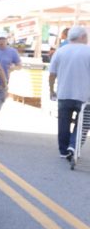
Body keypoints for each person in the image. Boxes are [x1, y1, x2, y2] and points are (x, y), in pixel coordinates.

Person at [48, 26, 90, 159]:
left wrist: (51, 90)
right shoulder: (88, 51)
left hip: (64, 93)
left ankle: (63, 150)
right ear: (83, 37)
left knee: (63, 122)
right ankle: (74, 145)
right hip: (85, 95)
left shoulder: (60, 52)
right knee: (84, 122)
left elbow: (52, 74)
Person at [0, 31, 22, 134]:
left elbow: (19, 65)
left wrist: (13, 67)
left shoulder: (12, 52)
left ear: (7, 40)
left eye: (3, 39)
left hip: (3, 83)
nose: (1, 41)